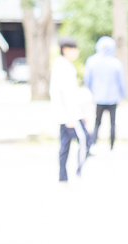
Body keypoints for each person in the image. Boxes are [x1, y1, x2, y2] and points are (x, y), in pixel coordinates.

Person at [53, 37, 89, 182]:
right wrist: (69, 116)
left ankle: (62, 177)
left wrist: (81, 111)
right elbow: (62, 92)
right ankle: (78, 171)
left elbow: (72, 93)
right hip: (70, 115)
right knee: (85, 140)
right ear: (66, 50)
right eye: (74, 49)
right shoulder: (63, 66)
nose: (77, 52)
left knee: (65, 145)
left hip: (69, 113)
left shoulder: (63, 65)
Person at [84, 35, 127, 151]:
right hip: (113, 98)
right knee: (113, 123)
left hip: (98, 97)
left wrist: (92, 93)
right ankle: (112, 147)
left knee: (97, 122)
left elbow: (87, 80)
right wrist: (123, 96)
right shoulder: (117, 63)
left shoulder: (91, 61)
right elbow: (121, 82)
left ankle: (94, 144)